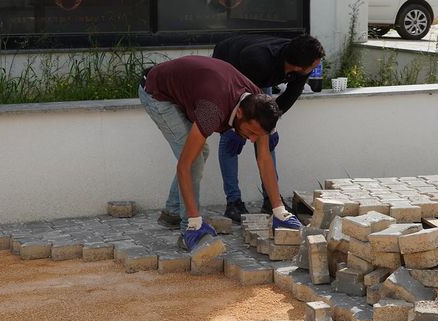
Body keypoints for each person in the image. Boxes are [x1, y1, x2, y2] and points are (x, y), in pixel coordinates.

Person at [138, 55, 302, 250]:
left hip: (191, 89)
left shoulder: (260, 106)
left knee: (199, 152)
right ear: (239, 113)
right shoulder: (212, 111)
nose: (251, 140)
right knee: (195, 158)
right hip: (157, 92)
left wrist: (279, 210)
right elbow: (185, 165)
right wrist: (194, 222)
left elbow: (264, 159)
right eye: (250, 133)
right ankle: (188, 228)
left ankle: (173, 211)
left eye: (256, 136)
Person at [206, 34, 325, 223]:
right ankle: (233, 202)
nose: (316, 68)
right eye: (313, 66)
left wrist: (272, 126)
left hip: (261, 78)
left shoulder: (304, 64)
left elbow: (290, 96)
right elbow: (244, 99)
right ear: (297, 66)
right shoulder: (258, 60)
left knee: (266, 138)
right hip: (231, 69)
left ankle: (271, 200)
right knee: (230, 139)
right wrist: (236, 129)